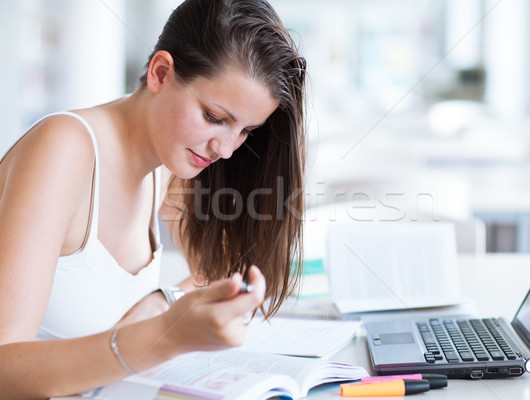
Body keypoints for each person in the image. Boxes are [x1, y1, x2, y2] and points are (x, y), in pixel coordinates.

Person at [0, 0, 306, 398]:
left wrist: (164, 299)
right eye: (215, 117)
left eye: (246, 130)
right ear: (161, 73)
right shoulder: (64, 148)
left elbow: (221, 268)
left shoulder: (168, 163)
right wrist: (164, 333)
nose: (227, 149)